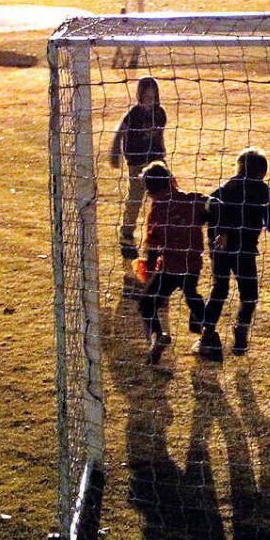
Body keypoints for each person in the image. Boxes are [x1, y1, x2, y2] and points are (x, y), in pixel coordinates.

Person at [197, 148, 270, 362]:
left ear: (238, 168)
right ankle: (241, 329)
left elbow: (205, 212)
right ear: (262, 174)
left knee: (219, 291)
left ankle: (207, 334)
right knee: (249, 295)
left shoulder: (223, 190)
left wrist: (217, 231)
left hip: (221, 250)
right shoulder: (262, 195)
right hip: (244, 251)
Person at [136, 161, 208, 365]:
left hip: (169, 266)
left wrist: (149, 270)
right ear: (171, 180)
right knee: (192, 296)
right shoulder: (192, 200)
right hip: (192, 264)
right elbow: (212, 206)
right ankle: (208, 332)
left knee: (146, 303)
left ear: (149, 192)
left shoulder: (158, 210)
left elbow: (152, 242)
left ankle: (158, 335)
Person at [110, 77, 167, 260]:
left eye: (153, 92)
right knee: (135, 197)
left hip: (155, 161)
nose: (150, 96)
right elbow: (120, 131)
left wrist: (162, 152)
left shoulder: (159, 113)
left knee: (164, 196)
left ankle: (160, 231)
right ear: (140, 94)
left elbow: (159, 134)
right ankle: (127, 231)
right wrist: (115, 151)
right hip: (137, 161)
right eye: (146, 92)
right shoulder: (134, 113)